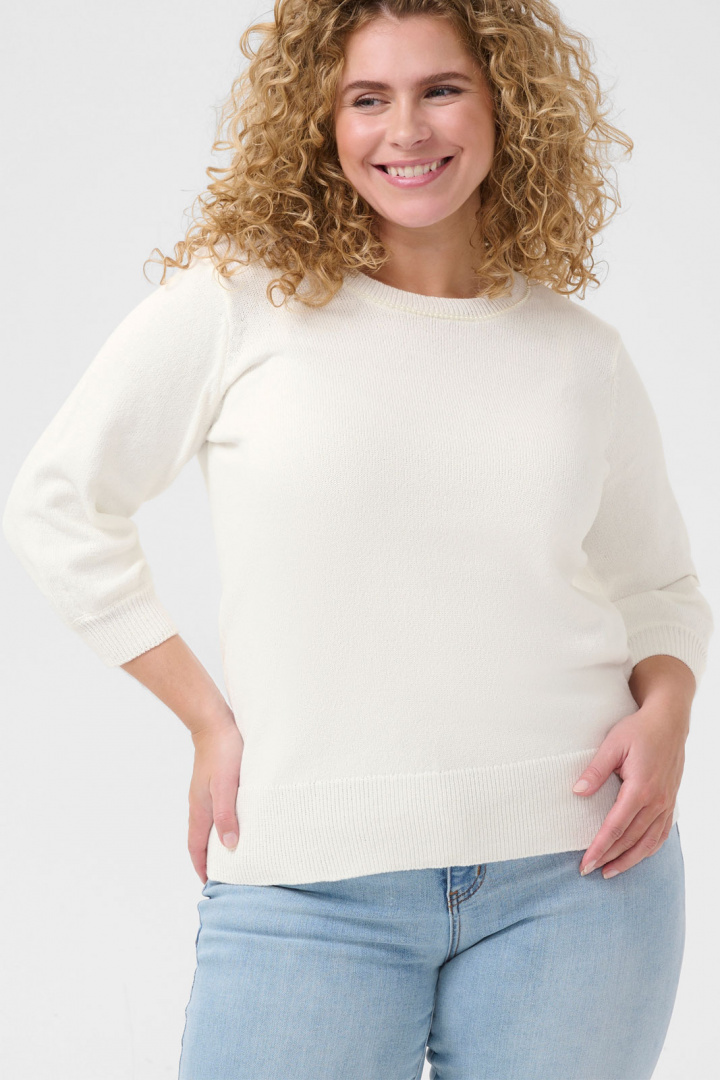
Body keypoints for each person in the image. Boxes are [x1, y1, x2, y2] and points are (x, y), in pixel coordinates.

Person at [2, 1, 713, 1077]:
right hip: (308, 888)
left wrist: (669, 715)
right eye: (367, 99)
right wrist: (206, 718)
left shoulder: (580, 353)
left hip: (583, 880)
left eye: (442, 90)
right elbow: (57, 502)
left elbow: (657, 586)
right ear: (321, 124)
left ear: (506, 104)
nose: (407, 130)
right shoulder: (239, 307)